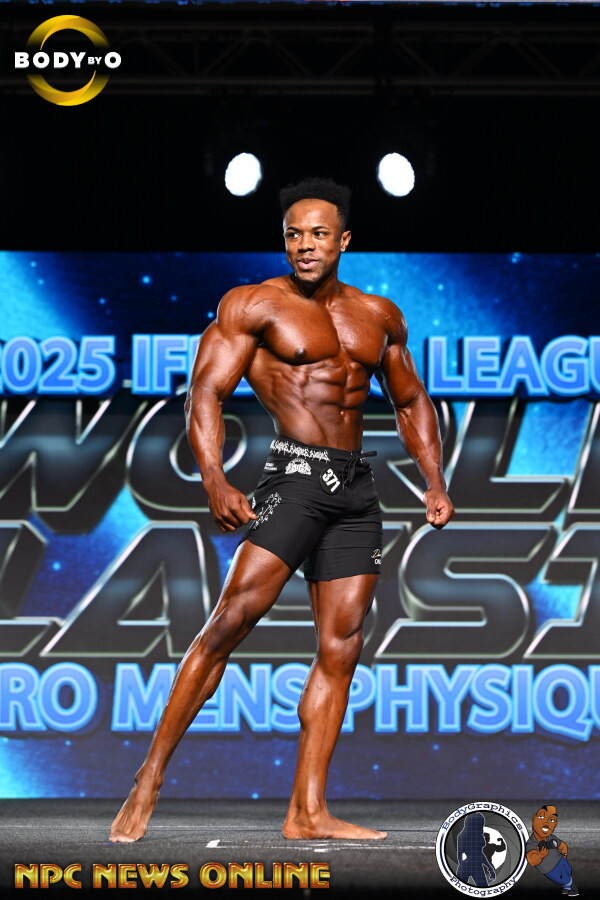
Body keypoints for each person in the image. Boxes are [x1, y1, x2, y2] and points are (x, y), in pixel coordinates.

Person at [109, 176, 455, 843]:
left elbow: (410, 399)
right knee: (228, 623)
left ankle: (307, 811)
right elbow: (205, 392)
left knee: (341, 647)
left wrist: (434, 481)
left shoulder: (379, 315)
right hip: (294, 480)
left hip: (356, 491)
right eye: (294, 234)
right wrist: (214, 477)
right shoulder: (253, 305)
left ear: (345, 240)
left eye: (319, 233)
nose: (305, 245)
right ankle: (149, 777)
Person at [526, 805, 578, 897]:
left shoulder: (551, 837)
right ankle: (572, 886)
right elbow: (531, 861)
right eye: (541, 817)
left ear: (555, 824)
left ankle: (567, 887)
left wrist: (564, 855)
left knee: (568, 871)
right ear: (534, 819)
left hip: (560, 859)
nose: (546, 822)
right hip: (548, 868)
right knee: (563, 879)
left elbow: (562, 845)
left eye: (552, 820)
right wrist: (540, 855)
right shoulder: (531, 843)